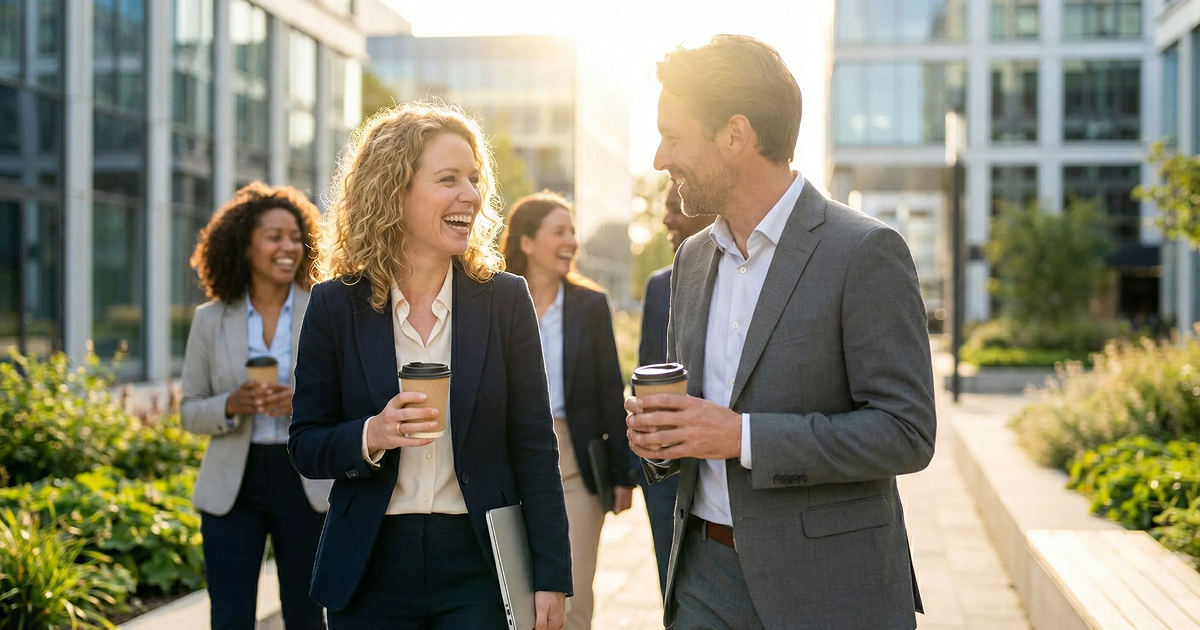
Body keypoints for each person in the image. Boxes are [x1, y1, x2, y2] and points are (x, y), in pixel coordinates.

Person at [625, 35, 936, 630]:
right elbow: (692, 419)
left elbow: (906, 432)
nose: (661, 158)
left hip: (828, 584)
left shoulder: (865, 252)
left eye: (673, 136)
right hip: (701, 578)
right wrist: (660, 435)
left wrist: (742, 437)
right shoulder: (691, 260)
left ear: (735, 135)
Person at [288, 103, 571, 630]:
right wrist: (373, 433)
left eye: (473, 179)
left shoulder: (504, 300)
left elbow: (534, 444)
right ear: (394, 192)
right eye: (448, 179)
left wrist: (551, 574)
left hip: (478, 563)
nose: (471, 194)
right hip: (368, 564)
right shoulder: (335, 305)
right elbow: (306, 444)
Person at [181, 182, 332, 630]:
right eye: (274, 236)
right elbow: (189, 411)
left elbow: (350, 401)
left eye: (294, 237)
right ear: (245, 245)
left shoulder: (324, 310)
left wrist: (301, 403)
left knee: (308, 615)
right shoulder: (209, 320)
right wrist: (231, 403)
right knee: (230, 617)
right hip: (233, 487)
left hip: (305, 481)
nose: (288, 247)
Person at [499, 191, 637, 630]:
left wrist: (621, 474)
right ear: (526, 242)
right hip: (505, 459)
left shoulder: (590, 305)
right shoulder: (492, 301)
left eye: (572, 231)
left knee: (571, 598)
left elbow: (608, 389)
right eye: (559, 231)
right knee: (512, 597)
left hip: (575, 460)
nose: (571, 241)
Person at [636, 181, 713, 597]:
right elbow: (647, 371)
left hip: (735, 483)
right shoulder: (658, 286)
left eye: (676, 207)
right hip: (669, 484)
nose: (667, 218)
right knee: (675, 598)